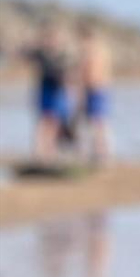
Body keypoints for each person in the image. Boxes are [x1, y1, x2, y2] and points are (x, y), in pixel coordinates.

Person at [25, 23, 74, 163]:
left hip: (58, 91)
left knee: (55, 121)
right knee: (43, 121)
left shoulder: (63, 54)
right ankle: (40, 152)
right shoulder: (42, 53)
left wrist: (70, 91)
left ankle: (51, 152)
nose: (53, 41)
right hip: (45, 89)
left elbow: (69, 73)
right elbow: (26, 54)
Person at [75, 24, 114, 169]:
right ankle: (98, 154)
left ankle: (102, 155)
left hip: (96, 91)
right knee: (96, 124)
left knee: (98, 124)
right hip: (97, 90)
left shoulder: (95, 52)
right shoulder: (96, 52)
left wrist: (82, 93)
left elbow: (91, 75)